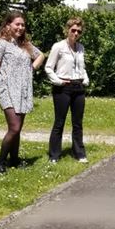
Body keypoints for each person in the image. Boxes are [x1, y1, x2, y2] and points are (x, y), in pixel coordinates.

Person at [0, 11, 44, 174]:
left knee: (18, 129)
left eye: (23, 24)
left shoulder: (24, 44)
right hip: (7, 91)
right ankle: (0, 162)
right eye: (17, 24)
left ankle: (14, 160)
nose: (20, 27)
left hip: (23, 91)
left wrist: (32, 68)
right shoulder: (1, 44)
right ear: (8, 25)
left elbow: (40, 55)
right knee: (14, 128)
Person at [45, 17, 89, 163]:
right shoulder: (58, 46)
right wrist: (58, 81)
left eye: (79, 31)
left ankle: (79, 153)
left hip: (78, 87)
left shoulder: (81, 48)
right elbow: (48, 67)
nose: (76, 33)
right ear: (67, 30)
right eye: (73, 30)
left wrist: (85, 79)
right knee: (59, 122)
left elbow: (81, 67)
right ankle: (54, 155)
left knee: (78, 122)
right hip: (63, 88)